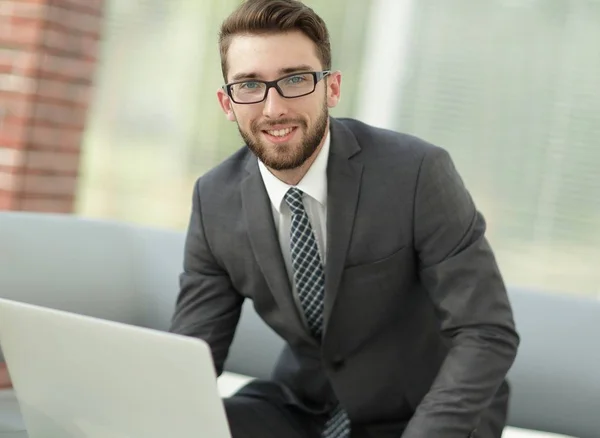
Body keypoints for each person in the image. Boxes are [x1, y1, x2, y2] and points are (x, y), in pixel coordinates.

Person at [169, 1, 520, 437]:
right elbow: (191, 357)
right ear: (227, 101)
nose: (273, 107)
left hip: (424, 409)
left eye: (295, 79)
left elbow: (486, 332)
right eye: (249, 85)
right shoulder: (214, 199)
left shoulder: (415, 173)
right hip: (304, 403)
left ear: (331, 88)